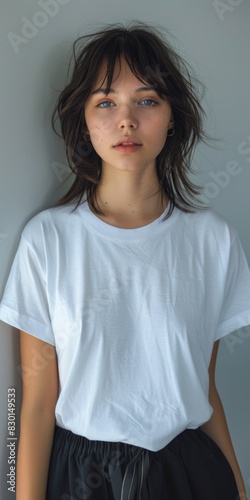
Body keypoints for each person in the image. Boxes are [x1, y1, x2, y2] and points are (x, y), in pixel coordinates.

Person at [0, 22, 250, 500]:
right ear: (83, 121)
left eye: (148, 100)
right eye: (106, 102)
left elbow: (204, 387)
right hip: (80, 479)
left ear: (173, 116)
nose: (127, 120)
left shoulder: (214, 241)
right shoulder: (48, 241)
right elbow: (31, 406)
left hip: (191, 474)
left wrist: (238, 489)